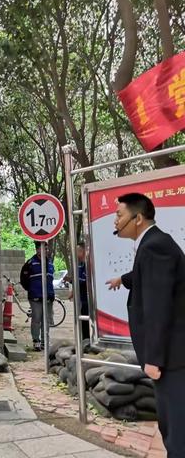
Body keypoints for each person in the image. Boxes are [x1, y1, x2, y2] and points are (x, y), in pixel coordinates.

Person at [106, 193, 185, 457]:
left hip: (172, 357)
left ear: (137, 218)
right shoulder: (153, 243)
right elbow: (147, 274)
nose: (115, 221)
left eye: (119, 215)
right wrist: (124, 279)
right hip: (172, 355)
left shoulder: (154, 246)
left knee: (176, 431)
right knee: (171, 425)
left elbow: (158, 306)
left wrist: (153, 359)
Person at [20, 241, 55, 351]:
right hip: (35, 297)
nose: (45, 251)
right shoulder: (30, 263)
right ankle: (36, 341)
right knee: (36, 318)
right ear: (37, 250)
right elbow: (23, 279)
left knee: (46, 320)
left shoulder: (50, 263)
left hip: (48, 296)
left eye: (46, 249)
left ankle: (45, 341)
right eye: (42, 248)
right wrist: (31, 289)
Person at [68, 243, 90, 340]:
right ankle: (84, 341)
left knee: (87, 323)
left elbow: (84, 281)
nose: (75, 254)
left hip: (88, 300)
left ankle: (87, 341)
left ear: (83, 251)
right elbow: (78, 279)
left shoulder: (89, 265)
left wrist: (72, 280)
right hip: (81, 300)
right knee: (83, 323)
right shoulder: (80, 265)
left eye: (77, 251)